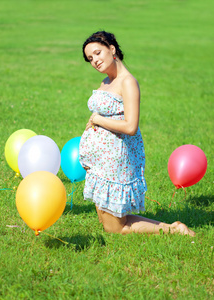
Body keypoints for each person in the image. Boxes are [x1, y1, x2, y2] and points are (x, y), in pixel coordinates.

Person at [78, 31, 195, 236]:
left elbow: (131, 126)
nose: (95, 61)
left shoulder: (127, 82)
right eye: (90, 58)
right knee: (111, 223)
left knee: (115, 228)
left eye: (97, 53)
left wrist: (96, 120)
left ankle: (173, 230)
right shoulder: (107, 81)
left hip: (115, 160)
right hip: (101, 162)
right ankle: (171, 228)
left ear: (112, 49)